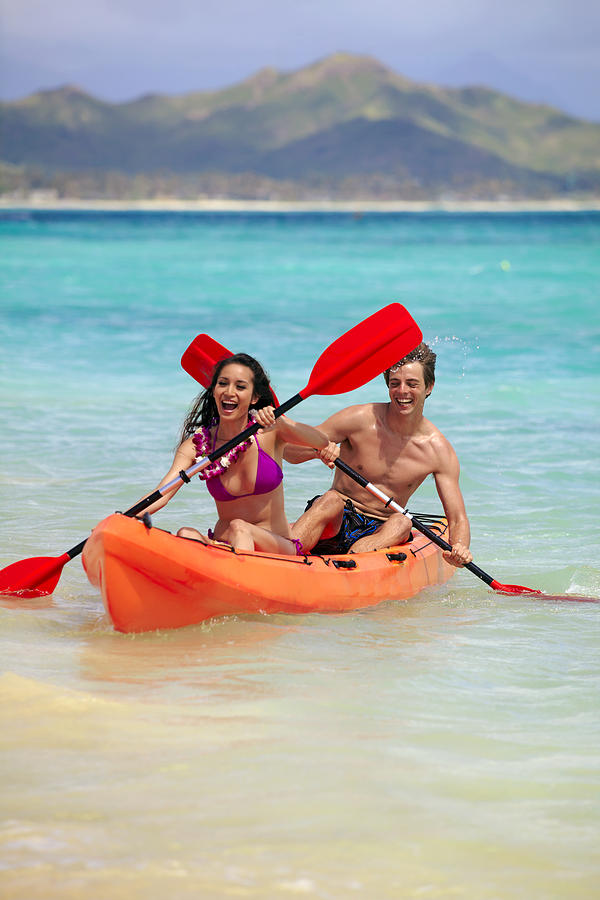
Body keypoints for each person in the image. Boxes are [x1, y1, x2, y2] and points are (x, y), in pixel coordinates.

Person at [284, 342, 473, 567]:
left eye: (412, 384)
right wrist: (316, 451)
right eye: (395, 383)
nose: (402, 391)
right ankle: (283, 554)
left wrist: (459, 548)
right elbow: (288, 452)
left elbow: (457, 518)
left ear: (429, 386)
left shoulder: (438, 451)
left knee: (403, 521)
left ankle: (354, 560)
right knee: (331, 500)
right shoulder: (358, 419)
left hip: (380, 532)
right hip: (332, 521)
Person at [138, 353, 331, 555]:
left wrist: (283, 422)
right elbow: (162, 494)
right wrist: (124, 519)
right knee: (186, 533)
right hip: (224, 544)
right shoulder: (197, 445)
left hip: (277, 548)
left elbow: (321, 441)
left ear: (254, 397)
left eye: (240, 386)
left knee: (240, 527)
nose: (229, 392)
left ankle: (244, 581)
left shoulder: (270, 431)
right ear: (214, 390)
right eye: (223, 384)